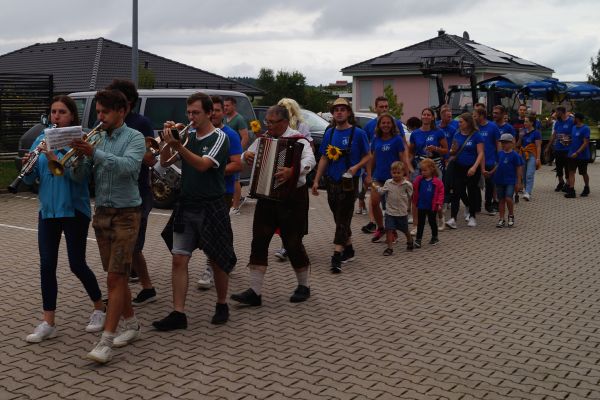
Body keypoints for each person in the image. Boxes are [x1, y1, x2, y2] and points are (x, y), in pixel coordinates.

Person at [70, 89, 146, 364]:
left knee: (115, 278)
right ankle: (132, 325)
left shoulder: (135, 137)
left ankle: (106, 341)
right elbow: (80, 176)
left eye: (105, 112)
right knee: (118, 277)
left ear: (121, 111)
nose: (99, 117)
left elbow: (128, 167)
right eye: (98, 112)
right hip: (102, 212)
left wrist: (95, 153)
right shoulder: (98, 137)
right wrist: (78, 158)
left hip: (127, 214)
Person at [23, 95, 105, 343]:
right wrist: (28, 166)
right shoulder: (41, 138)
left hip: (74, 210)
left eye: (62, 112)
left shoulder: (81, 141)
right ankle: (48, 322)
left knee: (76, 264)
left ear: (72, 116)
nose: (56, 116)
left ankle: (99, 307)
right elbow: (31, 180)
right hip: (48, 211)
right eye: (53, 112)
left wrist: (55, 156)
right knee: (47, 265)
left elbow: (80, 177)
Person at [153, 92, 236, 331]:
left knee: (217, 259)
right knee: (179, 258)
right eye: (189, 112)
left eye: (196, 113)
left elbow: (202, 165)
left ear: (209, 113)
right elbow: (165, 162)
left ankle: (222, 303)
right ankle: (178, 313)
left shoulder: (219, 137)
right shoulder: (187, 136)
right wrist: (167, 142)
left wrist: (178, 145)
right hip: (187, 204)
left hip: (211, 205)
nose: (191, 117)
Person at [230, 105, 316, 306]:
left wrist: (293, 171)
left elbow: (310, 160)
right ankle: (255, 292)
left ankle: (304, 286)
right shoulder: (263, 139)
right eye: (266, 122)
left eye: (271, 122)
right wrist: (246, 156)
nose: (267, 125)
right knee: (259, 242)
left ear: (284, 122)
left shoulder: (298, 140)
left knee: (293, 243)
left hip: (292, 199)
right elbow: (244, 157)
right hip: (266, 197)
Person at [105, 79, 158, 305]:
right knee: (124, 248)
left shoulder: (140, 123)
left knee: (132, 247)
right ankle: (140, 288)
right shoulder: (106, 122)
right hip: (113, 192)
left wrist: (131, 153)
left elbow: (150, 157)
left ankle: (138, 290)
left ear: (128, 103)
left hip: (138, 192)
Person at [311, 98, 370, 273]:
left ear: (348, 113)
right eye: (336, 110)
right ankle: (349, 249)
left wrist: (358, 167)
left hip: (349, 182)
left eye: (343, 109)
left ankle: (336, 255)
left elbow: (368, 155)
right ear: (332, 113)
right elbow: (324, 157)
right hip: (332, 180)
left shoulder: (358, 133)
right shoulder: (329, 133)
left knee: (343, 216)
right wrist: (316, 180)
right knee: (338, 216)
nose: (339, 112)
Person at [197, 96, 243, 290]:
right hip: (201, 190)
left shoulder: (230, 135)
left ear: (223, 113)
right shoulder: (197, 133)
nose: (214, 114)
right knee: (221, 229)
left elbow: (237, 164)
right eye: (212, 110)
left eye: (218, 110)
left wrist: (212, 169)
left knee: (214, 231)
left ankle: (211, 267)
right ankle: (228, 257)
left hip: (223, 190)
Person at [273, 97, 314, 261]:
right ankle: (287, 245)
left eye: (285, 108)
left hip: (296, 176)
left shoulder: (301, 126)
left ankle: (294, 246)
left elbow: (309, 150)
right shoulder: (275, 128)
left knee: (296, 216)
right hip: (279, 176)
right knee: (281, 215)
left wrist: (297, 168)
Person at [361, 96, 408, 233]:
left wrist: (406, 174)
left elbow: (403, 156)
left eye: (386, 106)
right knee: (374, 202)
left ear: (392, 125)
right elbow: (371, 157)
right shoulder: (375, 137)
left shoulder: (397, 138)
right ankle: (380, 227)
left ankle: (392, 231)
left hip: (394, 177)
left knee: (390, 207)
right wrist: (368, 174)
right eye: (383, 123)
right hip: (378, 176)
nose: (386, 125)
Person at [408, 107, 447, 234]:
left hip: (435, 166)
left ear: (432, 117)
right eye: (424, 114)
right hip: (419, 166)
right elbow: (411, 152)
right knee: (416, 195)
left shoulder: (438, 132)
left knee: (435, 194)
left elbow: (446, 150)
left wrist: (436, 148)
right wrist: (408, 167)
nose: (426, 116)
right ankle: (415, 225)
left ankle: (440, 217)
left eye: (428, 115)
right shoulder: (415, 133)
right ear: (421, 116)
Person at [445, 113, 484, 229]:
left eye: (461, 122)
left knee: (472, 192)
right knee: (456, 192)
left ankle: (472, 216)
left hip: (472, 168)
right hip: (458, 167)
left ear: (468, 122)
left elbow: (481, 153)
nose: (459, 124)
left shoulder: (476, 136)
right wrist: (451, 152)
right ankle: (453, 218)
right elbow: (453, 150)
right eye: (459, 122)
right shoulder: (457, 134)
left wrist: (474, 167)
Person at [375, 161, 413, 256]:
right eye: (394, 172)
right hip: (390, 212)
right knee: (389, 229)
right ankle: (389, 248)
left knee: (405, 230)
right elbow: (382, 192)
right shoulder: (388, 182)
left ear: (403, 173)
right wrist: (376, 187)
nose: (396, 175)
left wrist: (409, 206)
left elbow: (411, 196)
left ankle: (410, 240)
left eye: (398, 173)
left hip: (401, 212)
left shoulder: (407, 184)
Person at [489, 134, 523, 228]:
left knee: (508, 198)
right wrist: (491, 172)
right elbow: (497, 165)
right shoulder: (499, 154)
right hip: (499, 179)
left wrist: (518, 182)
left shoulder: (515, 155)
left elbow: (519, 168)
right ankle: (501, 219)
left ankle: (511, 215)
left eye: (506, 142)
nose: (503, 144)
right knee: (501, 200)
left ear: (511, 143)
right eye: (502, 142)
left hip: (510, 180)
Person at [223, 96, 249, 215]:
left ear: (234, 106)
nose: (225, 108)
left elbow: (245, 137)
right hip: (226, 156)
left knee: (236, 180)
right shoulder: (225, 118)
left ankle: (235, 207)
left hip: (234, 156)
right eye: (224, 105)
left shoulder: (239, 119)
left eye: (227, 105)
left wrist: (237, 153)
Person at [411, 158, 444, 248]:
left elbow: (441, 193)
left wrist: (439, 203)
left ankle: (435, 237)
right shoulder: (419, 179)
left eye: (425, 170)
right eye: (422, 170)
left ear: (432, 170)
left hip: (432, 206)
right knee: (420, 223)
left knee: (432, 222)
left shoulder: (437, 182)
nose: (423, 172)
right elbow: (413, 187)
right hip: (421, 205)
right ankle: (418, 240)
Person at [473, 107, 501, 215]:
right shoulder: (474, 127)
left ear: (481, 116)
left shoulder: (493, 127)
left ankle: (488, 205)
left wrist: (499, 156)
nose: (473, 117)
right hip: (476, 160)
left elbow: (498, 143)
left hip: (490, 159)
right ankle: (477, 206)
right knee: (475, 184)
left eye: (475, 115)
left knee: (490, 184)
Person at [546, 106, 574, 192]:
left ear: (561, 112)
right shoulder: (558, 122)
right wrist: (548, 147)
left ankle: (568, 184)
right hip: (558, 149)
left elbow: (575, 132)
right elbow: (554, 135)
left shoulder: (571, 121)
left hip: (568, 149)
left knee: (567, 167)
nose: (555, 114)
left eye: (556, 112)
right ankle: (561, 182)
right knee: (558, 167)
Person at [516, 113, 542, 201]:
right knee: (523, 174)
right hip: (523, 155)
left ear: (532, 123)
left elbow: (538, 146)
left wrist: (538, 158)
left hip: (532, 155)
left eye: (527, 121)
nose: (525, 123)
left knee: (529, 174)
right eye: (524, 121)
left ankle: (528, 192)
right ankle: (526, 189)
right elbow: (518, 145)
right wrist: (520, 137)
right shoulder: (523, 131)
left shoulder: (536, 133)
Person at [565, 113, 591, 198]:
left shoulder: (586, 128)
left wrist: (577, 153)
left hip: (582, 156)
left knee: (583, 173)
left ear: (578, 119)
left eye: (574, 118)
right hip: (572, 154)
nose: (572, 119)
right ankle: (571, 191)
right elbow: (573, 139)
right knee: (571, 172)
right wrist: (567, 141)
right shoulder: (573, 128)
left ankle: (586, 187)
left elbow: (585, 143)